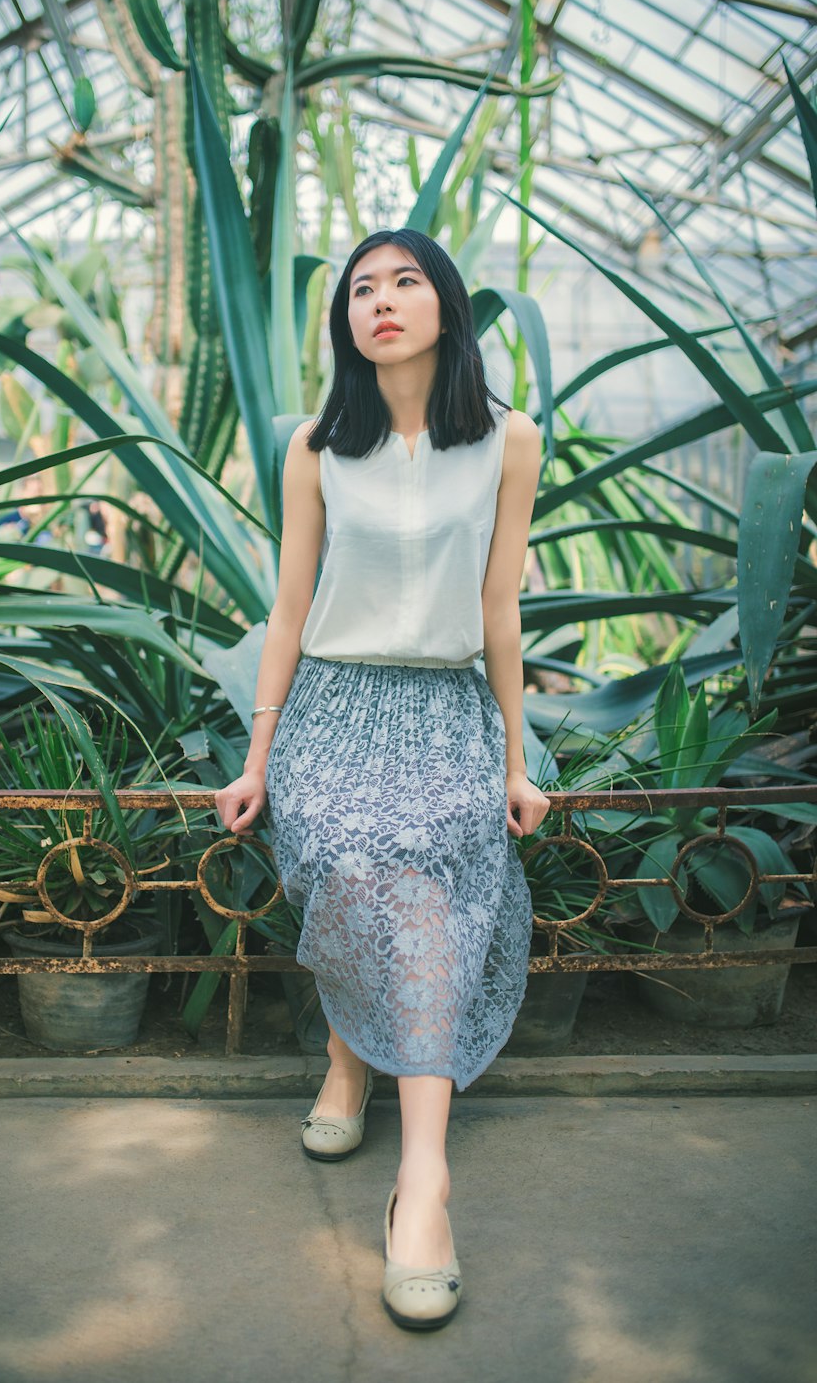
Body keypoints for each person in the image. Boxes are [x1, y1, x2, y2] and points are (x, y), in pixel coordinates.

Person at [214, 227, 550, 1331]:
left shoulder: (510, 441)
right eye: (362, 288)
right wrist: (260, 755)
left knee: (423, 868)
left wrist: (513, 756)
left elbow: (501, 610)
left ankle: (424, 1185)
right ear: (346, 323)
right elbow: (289, 608)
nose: (382, 301)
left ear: (447, 306)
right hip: (335, 709)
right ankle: (347, 1058)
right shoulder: (314, 446)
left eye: (406, 281)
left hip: (447, 712)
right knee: (363, 855)